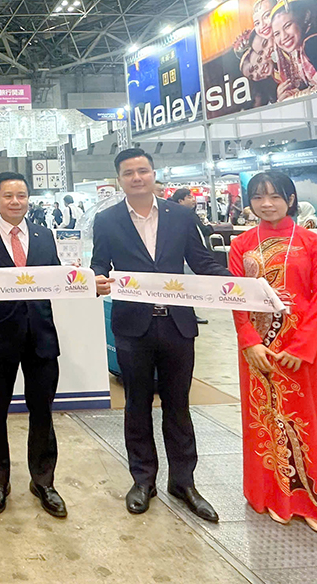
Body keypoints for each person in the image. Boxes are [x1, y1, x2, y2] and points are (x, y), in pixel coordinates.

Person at [92, 148, 231, 523]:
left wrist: (239, 284)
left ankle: (184, 482)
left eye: (143, 171)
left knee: (178, 405)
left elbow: (201, 261)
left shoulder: (182, 216)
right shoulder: (107, 221)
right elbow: (99, 263)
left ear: (154, 174)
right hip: (133, 327)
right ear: (119, 179)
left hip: (177, 325)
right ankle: (143, 480)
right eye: (128, 173)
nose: (136, 178)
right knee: (136, 405)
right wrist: (95, 279)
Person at [229, 171, 317, 539]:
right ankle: (273, 496)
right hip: (257, 350)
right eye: (258, 197)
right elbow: (236, 299)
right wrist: (249, 341)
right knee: (265, 421)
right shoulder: (241, 245)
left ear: (290, 199)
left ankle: (315, 501)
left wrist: (302, 346)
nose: (266, 203)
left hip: (302, 349)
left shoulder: (313, 243)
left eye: (274, 196)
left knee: (308, 422)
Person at [0, 172, 66, 518]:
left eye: (22, 195)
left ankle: (43, 481)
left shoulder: (44, 235)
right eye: (8, 196)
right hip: (1, 337)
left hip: (41, 336)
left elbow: (55, 278)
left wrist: (79, 279)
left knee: (42, 413)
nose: (16, 202)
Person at [170, 188, 213, 325]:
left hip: (195, 255)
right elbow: (205, 230)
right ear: (180, 200)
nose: (193, 199)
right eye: (189, 197)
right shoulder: (182, 216)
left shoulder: (188, 214)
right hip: (184, 260)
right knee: (184, 287)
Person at [271, 0, 317, 100]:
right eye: (277, 34)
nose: (283, 37)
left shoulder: (312, 43)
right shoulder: (296, 53)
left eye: (287, 26)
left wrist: (293, 98)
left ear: (304, 18)